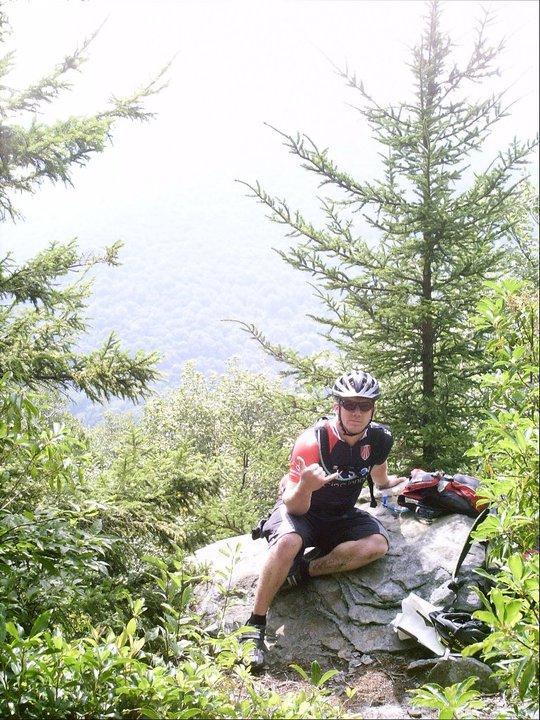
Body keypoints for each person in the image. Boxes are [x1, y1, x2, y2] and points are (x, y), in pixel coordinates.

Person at [241, 370, 406, 671]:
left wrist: (393, 484)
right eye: (349, 404)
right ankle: (254, 626)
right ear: (336, 406)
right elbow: (294, 505)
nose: (357, 412)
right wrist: (305, 486)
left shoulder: (380, 439)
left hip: (341, 514)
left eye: (364, 405)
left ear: (373, 409)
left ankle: (302, 572)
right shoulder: (312, 442)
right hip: (303, 510)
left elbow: (378, 474)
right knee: (288, 542)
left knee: (376, 546)